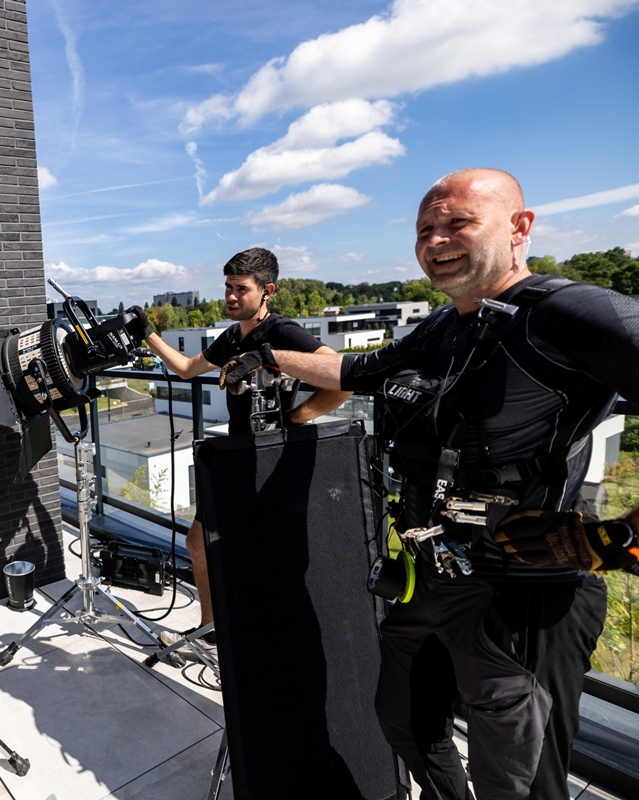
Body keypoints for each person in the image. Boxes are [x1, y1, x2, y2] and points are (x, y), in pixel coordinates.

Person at [243, 168, 639, 800]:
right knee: (403, 721)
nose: (436, 239)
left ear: (520, 227)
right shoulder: (446, 326)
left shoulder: (568, 313)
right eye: (426, 228)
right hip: (434, 575)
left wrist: (618, 540)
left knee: (520, 782)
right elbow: (357, 369)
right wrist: (267, 353)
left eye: (458, 222)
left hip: (523, 592)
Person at [128, 247, 352, 644]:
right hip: (234, 457)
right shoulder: (232, 336)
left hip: (271, 461)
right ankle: (212, 629)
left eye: (241, 289)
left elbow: (342, 377)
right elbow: (185, 369)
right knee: (199, 541)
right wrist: (146, 332)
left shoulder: (282, 332)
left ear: (267, 290)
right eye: (228, 287)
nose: (230, 296)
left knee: (262, 556)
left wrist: (297, 417)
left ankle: (267, 641)